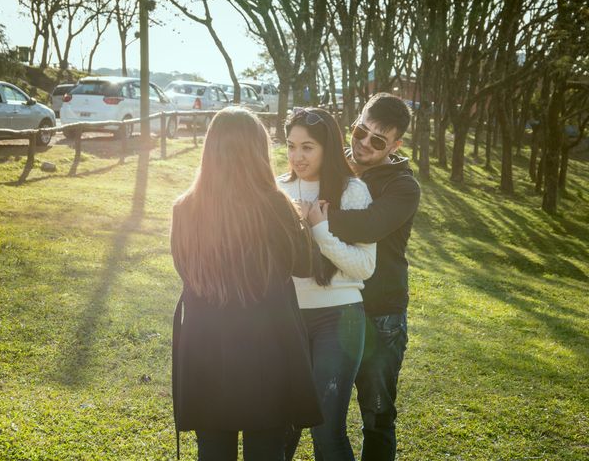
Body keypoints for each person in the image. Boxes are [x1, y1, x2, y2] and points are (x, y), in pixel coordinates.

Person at [170, 107, 324, 460]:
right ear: (257, 153)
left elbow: (185, 269)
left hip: (206, 348)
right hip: (266, 349)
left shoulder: (184, 208)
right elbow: (302, 266)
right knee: (266, 449)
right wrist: (305, 224)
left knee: (213, 451)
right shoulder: (275, 205)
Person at [278, 107, 377, 460]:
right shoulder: (278, 188)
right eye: (291, 146)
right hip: (286, 318)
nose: (297, 156)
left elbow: (365, 266)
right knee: (280, 428)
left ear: (327, 148)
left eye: (308, 147)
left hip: (339, 317)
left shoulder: (353, 191)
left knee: (326, 430)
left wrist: (320, 230)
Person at [327, 93, 421, 460]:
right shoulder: (332, 167)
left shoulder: (403, 186)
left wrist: (314, 217)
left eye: (378, 140)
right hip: (331, 307)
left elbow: (369, 226)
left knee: (377, 416)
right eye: (359, 131)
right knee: (313, 408)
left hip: (381, 314)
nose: (364, 143)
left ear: (395, 145)